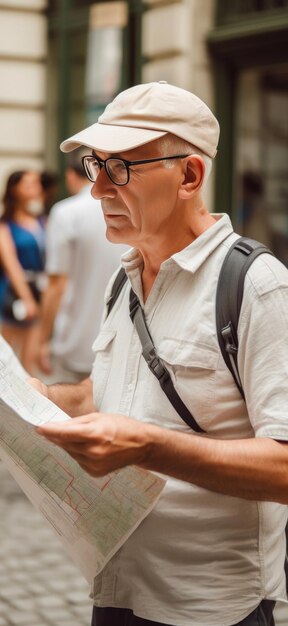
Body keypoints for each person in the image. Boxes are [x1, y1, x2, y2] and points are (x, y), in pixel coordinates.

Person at [33, 82, 288, 626]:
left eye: (120, 169)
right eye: (93, 163)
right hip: (118, 592)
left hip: (214, 608)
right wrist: (38, 398)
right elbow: (111, 390)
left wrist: (147, 448)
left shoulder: (258, 285)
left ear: (190, 176)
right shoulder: (124, 277)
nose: (98, 188)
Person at [37, 150, 128, 383]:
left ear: (70, 174)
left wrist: (41, 340)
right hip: (124, 342)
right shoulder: (130, 208)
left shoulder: (66, 212)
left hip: (76, 343)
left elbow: (56, 285)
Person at [0, 170, 46, 373]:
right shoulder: (6, 226)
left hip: (40, 292)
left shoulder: (42, 221)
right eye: (28, 184)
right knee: (6, 359)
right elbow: (12, 267)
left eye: (36, 183)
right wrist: (27, 298)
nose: (35, 188)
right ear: (14, 189)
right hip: (13, 294)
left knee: (29, 364)